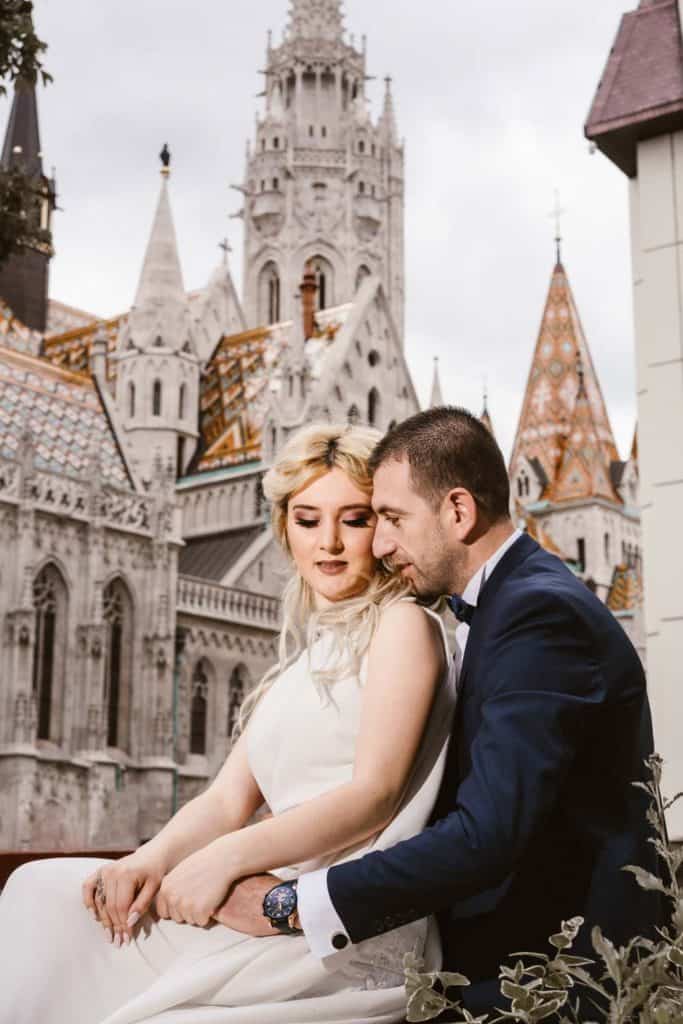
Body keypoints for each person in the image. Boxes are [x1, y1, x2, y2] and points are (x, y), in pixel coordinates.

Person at [0, 422, 456, 1024]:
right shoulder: (303, 659)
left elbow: (374, 795)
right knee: (41, 892)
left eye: (354, 518)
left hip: (327, 931)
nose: (330, 543)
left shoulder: (404, 626)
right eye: (307, 519)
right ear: (284, 529)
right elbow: (224, 800)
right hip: (258, 900)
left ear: (384, 526)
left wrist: (224, 862)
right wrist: (150, 859)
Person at [217, 406, 664, 1017]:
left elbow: (487, 834)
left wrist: (290, 904)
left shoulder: (537, 612)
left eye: (391, 519)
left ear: (458, 511)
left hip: (556, 980)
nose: (378, 544)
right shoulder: (511, 603)